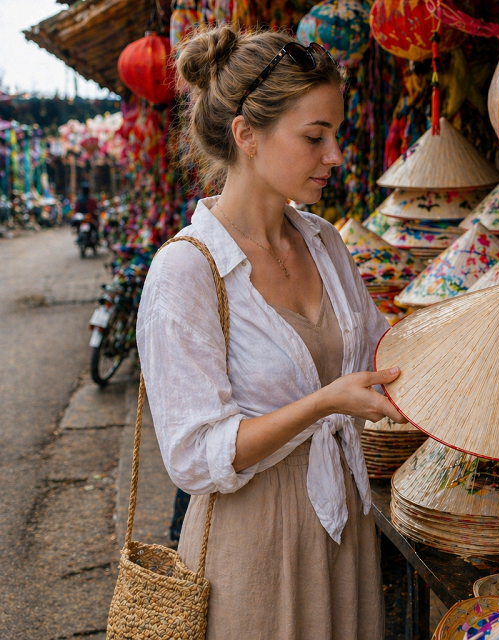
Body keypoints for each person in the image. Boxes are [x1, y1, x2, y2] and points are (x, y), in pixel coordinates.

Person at [136, 23, 406, 639]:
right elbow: (194, 458)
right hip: (253, 546)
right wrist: (325, 403)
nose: (335, 155)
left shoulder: (324, 241)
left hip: (342, 530)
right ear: (246, 136)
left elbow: (378, 347)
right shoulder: (187, 271)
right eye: (316, 136)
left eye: (335, 134)